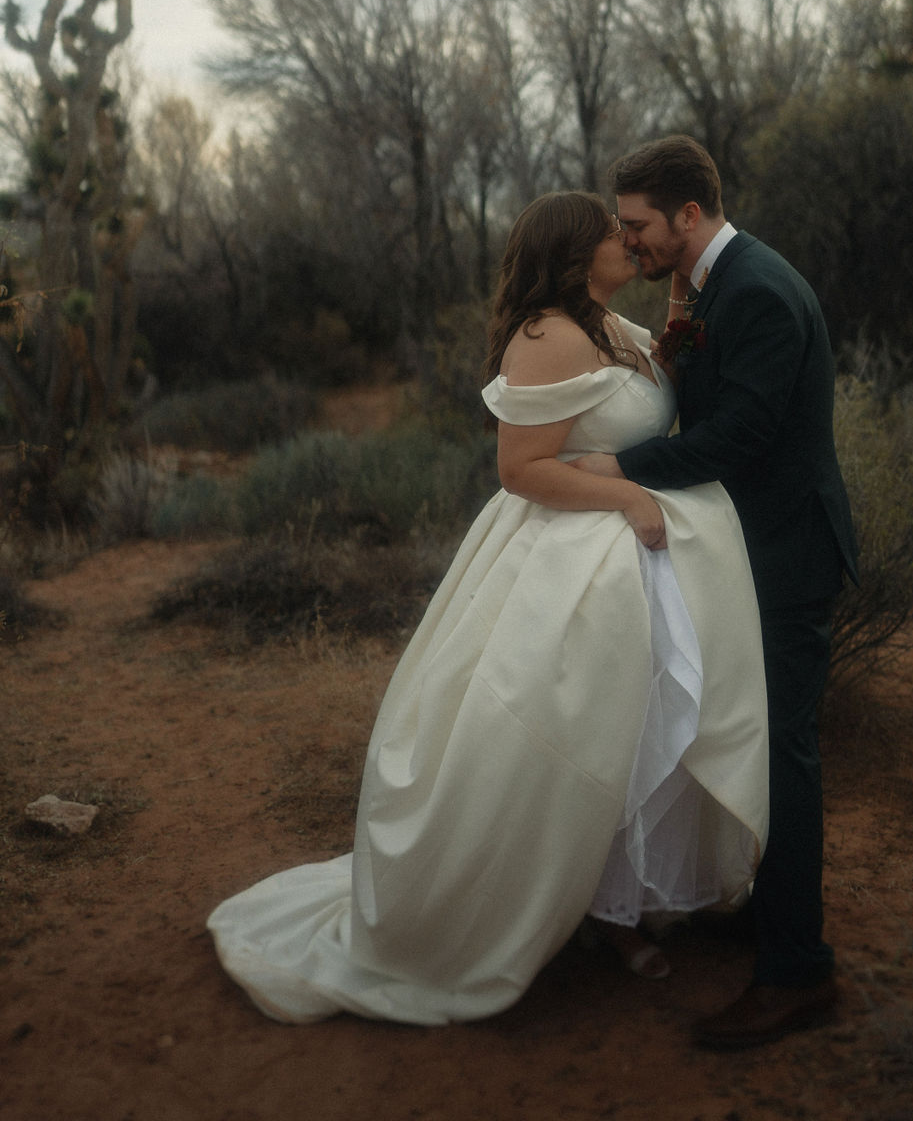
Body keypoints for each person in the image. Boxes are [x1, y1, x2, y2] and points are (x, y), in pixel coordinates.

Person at [206, 191, 769, 1026]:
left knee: (635, 734)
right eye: (613, 233)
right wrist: (627, 504)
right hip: (567, 558)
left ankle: (616, 905)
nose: (627, 241)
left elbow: (656, 395)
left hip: (635, 574)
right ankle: (539, 912)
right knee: (559, 740)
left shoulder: (613, 323)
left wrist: (683, 301)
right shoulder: (546, 335)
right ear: (577, 253)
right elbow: (521, 468)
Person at [575, 136, 858, 1050]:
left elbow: (738, 437)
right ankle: (760, 913)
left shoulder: (762, 293)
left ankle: (796, 971)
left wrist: (619, 464)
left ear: (688, 215)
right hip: (745, 552)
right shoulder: (711, 286)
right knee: (745, 731)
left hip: (786, 554)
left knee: (786, 752)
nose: (632, 238)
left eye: (641, 224)